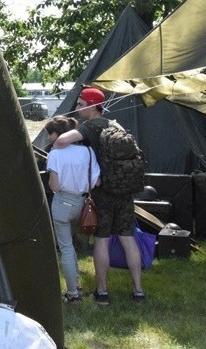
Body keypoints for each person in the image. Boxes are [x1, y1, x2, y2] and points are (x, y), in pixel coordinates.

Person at [53, 87, 145, 305]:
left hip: (102, 193)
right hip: (125, 191)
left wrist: (60, 139)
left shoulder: (90, 127)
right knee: (128, 239)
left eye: (81, 105)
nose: (77, 109)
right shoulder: (115, 125)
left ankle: (102, 292)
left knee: (102, 241)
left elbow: (62, 141)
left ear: (93, 106)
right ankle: (138, 291)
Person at [45, 115, 101, 303]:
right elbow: (97, 181)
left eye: (50, 134)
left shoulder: (55, 154)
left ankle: (73, 293)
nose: (48, 138)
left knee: (66, 247)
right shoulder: (88, 151)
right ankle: (76, 284)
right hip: (83, 203)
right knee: (72, 245)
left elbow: (54, 185)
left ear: (59, 134)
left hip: (62, 201)